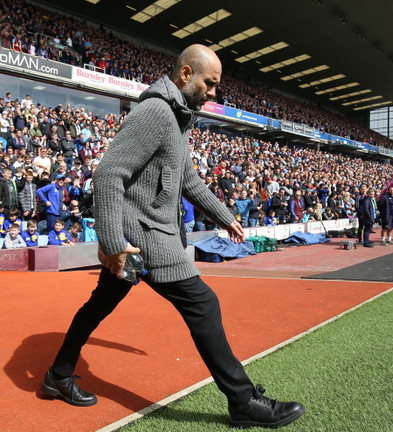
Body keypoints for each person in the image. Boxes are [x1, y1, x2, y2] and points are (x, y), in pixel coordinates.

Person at [40, 44, 304, 429]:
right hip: (142, 238)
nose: (214, 92)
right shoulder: (157, 112)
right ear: (185, 74)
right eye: (210, 83)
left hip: (143, 236)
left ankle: (57, 376)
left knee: (99, 305)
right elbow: (107, 174)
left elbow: (190, 182)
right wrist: (113, 244)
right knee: (204, 304)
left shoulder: (180, 118)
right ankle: (243, 401)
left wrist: (226, 217)